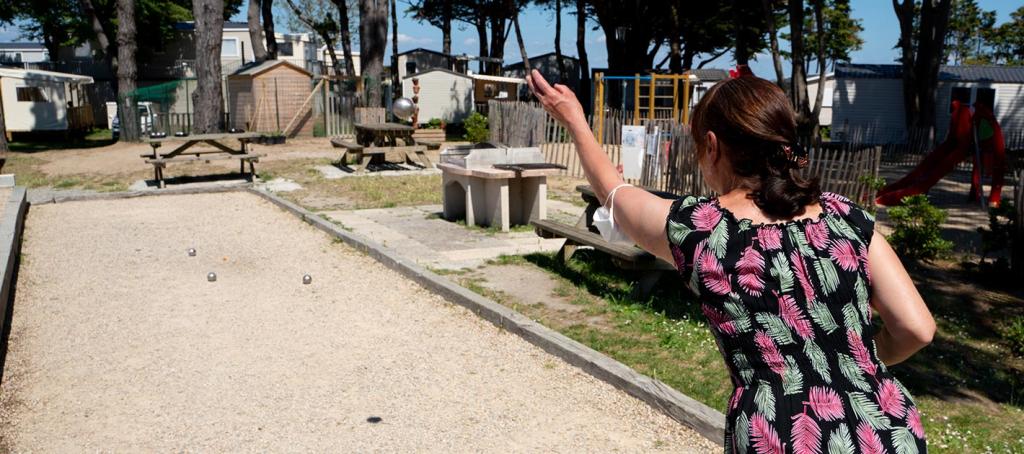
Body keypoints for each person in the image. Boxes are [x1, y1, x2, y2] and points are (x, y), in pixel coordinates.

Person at [526, 70, 936, 452]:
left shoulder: (701, 229)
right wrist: (854, 362)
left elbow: (614, 196)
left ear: (713, 146)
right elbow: (917, 328)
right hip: (888, 427)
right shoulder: (848, 217)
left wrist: (576, 121)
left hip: (780, 432)